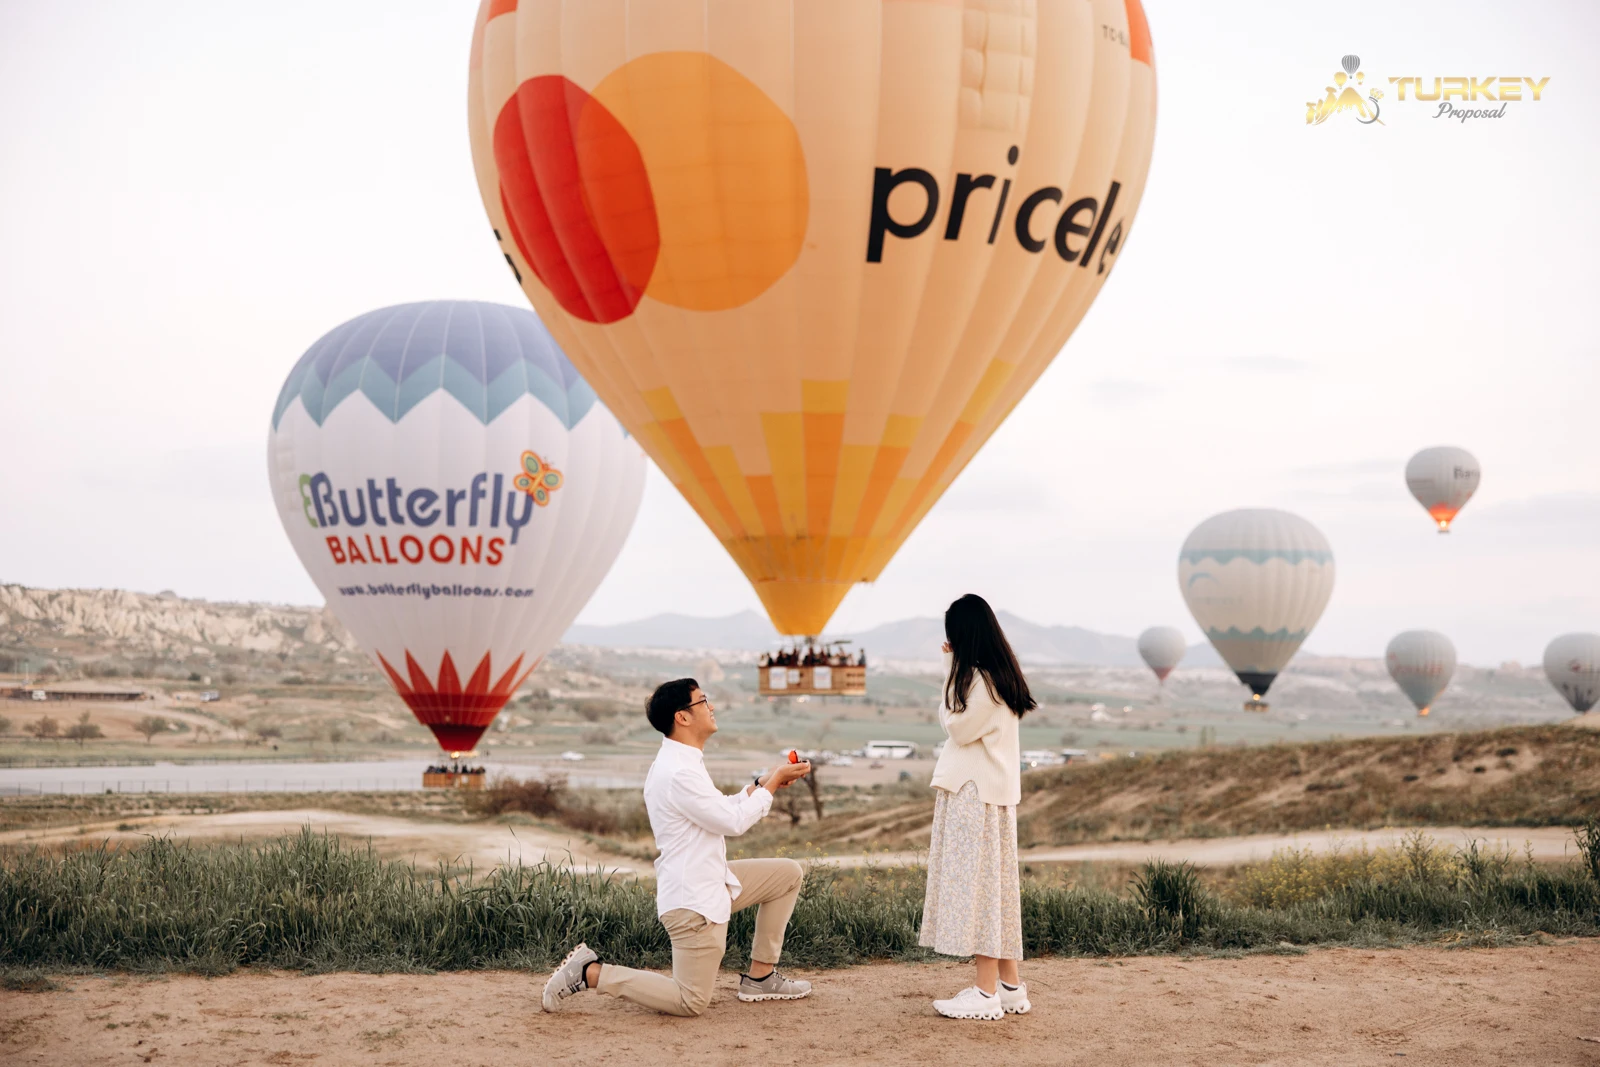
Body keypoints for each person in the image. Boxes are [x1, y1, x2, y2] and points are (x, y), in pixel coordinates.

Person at [541, 678, 816, 1016]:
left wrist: (760, 784)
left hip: (713, 881)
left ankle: (761, 977)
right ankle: (590, 972)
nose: (711, 707)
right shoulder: (677, 773)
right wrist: (771, 784)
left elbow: (720, 809)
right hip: (694, 903)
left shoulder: (684, 763)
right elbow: (733, 823)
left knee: (787, 874)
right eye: (703, 701)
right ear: (682, 717)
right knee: (690, 1001)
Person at [920, 593, 1035, 1021]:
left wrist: (953, 668)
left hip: (973, 795)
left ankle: (985, 993)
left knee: (979, 891)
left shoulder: (981, 683)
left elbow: (956, 725)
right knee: (996, 889)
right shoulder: (1001, 678)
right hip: (990, 795)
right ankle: (1008, 987)